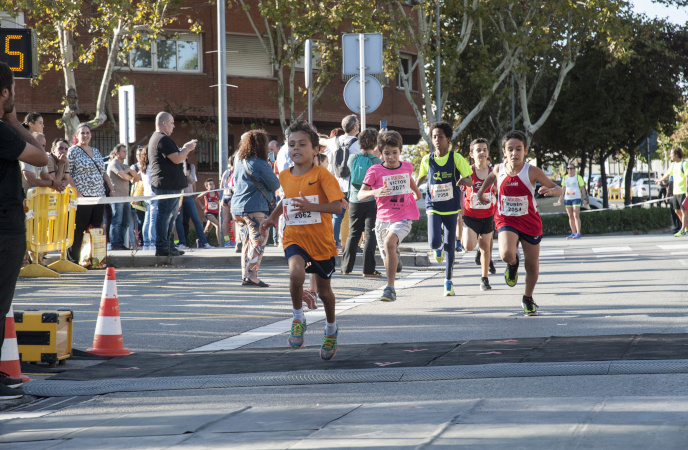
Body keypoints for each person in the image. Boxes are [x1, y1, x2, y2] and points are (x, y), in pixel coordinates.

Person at [260, 121, 345, 360]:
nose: (296, 148)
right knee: (296, 274)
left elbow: (338, 207)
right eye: (291, 145)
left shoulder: (322, 175)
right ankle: (298, 318)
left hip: (321, 242)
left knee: (325, 293)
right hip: (294, 237)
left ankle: (331, 329)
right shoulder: (285, 175)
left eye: (302, 144)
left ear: (316, 150)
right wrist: (270, 219)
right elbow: (285, 200)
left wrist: (312, 206)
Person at [0, 62, 49, 400]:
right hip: (4, 228)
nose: (15, 97)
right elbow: (42, 157)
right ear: (4, 93)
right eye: (14, 91)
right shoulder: (2, 131)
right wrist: (15, 121)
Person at [477, 130, 562, 316]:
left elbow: (557, 187)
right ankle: (513, 263)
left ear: (526, 151)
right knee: (507, 254)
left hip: (530, 222)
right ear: (503, 151)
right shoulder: (499, 169)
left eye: (518, 149)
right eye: (510, 149)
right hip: (506, 219)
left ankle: (527, 298)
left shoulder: (531, 171)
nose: (514, 153)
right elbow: (491, 176)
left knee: (532, 266)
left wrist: (553, 191)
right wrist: (480, 192)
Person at [359, 130, 422, 302]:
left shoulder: (407, 167)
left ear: (400, 152)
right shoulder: (375, 170)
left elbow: (417, 193)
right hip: (382, 219)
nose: (391, 157)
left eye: (395, 153)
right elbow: (360, 195)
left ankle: (390, 288)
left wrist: (411, 201)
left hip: (402, 218)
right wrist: (376, 191)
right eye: (387, 153)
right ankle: (395, 259)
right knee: (387, 257)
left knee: (389, 243)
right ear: (381, 153)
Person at [415, 121, 472, 296]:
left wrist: (465, 181)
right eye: (434, 137)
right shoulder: (427, 159)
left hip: (451, 207)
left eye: (440, 136)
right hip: (433, 205)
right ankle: (436, 248)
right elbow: (420, 178)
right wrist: (413, 192)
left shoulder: (456, 158)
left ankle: (448, 281)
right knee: (434, 242)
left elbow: (470, 180)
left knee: (450, 247)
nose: (437, 140)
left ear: (448, 138)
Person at [232, 130, 280, 287]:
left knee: (246, 242)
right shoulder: (260, 163)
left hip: (237, 208)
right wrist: (270, 166)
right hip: (255, 208)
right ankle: (252, 274)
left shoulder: (239, 161)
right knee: (259, 241)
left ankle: (245, 274)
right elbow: (275, 184)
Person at [147, 112, 197, 257]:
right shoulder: (162, 139)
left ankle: (168, 245)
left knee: (170, 216)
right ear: (163, 123)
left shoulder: (160, 139)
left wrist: (184, 150)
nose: (173, 126)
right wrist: (187, 148)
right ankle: (163, 246)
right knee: (165, 216)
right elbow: (177, 159)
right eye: (171, 123)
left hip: (171, 185)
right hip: (166, 186)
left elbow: (174, 157)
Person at [68, 123, 115, 262]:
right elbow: (68, 173)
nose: (85, 135)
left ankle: (93, 260)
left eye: (87, 133)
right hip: (83, 196)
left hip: (98, 195)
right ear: (77, 135)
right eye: (82, 133)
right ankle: (73, 260)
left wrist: (111, 189)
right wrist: (76, 192)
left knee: (95, 229)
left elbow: (103, 172)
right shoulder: (73, 151)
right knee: (79, 228)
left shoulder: (96, 151)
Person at [341, 128, 382, 277]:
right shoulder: (377, 162)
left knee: (353, 233)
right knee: (370, 234)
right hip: (371, 199)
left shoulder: (352, 158)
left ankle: (346, 268)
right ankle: (368, 269)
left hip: (354, 199)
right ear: (375, 143)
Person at [461, 138, 497, 291]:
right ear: (471, 154)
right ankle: (474, 247)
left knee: (485, 247)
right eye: (478, 150)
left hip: (488, 215)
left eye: (484, 149)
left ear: (488, 153)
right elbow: (461, 191)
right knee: (469, 245)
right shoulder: (468, 171)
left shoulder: (494, 172)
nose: (481, 152)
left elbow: (500, 190)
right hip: (471, 215)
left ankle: (484, 278)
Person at [325, 115, 360, 250]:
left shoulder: (335, 141)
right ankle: (352, 244)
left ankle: (333, 243)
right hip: (352, 185)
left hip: (337, 184)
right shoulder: (358, 143)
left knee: (337, 217)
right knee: (353, 216)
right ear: (354, 128)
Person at [107, 143, 140, 250]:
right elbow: (126, 177)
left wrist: (129, 170)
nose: (126, 153)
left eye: (126, 151)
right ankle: (115, 243)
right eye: (123, 151)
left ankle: (120, 243)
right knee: (117, 220)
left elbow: (137, 176)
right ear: (117, 153)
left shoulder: (124, 165)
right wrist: (129, 172)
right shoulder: (114, 164)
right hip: (117, 197)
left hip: (126, 197)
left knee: (125, 221)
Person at [656, 147, 688, 236]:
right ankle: (686, 228)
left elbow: (687, 177)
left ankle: (682, 229)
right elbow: (667, 174)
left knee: (684, 211)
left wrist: (687, 189)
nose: (670, 155)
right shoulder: (673, 165)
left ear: (676, 155)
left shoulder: (684, 164)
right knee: (677, 211)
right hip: (675, 191)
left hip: (682, 191)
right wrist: (659, 180)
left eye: (671, 154)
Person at [554, 164, 589, 239]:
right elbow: (562, 189)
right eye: (568, 168)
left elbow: (582, 188)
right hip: (567, 198)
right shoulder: (565, 178)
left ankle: (578, 232)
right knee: (570, 216)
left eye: (571, 168)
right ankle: (573, 232)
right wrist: (560, 198)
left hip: (576, 197)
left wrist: (584, 198)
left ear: (574, 169)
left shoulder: (578, 177)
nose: (569, 170)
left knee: (576, 214)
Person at [138, 147, 157, 251]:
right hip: (154, 194)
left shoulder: (143, 167)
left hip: (146, 195)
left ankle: (146, 243)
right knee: (153, 219)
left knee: (147, 219)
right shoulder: (152, 167)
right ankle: (152, 242)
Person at [195, 178, 221, 248]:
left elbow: (221, 201)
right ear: (207, 187)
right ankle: (219, 244)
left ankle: (200, 240)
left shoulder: (217, 192)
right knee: (218, 225)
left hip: (215, 212)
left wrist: (218, 202)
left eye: (213, 184)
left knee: (207, 230)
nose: (212, 186)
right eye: (210, 184)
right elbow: (197, 198)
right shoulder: (206, 193)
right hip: (208, 212)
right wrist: (202, 206)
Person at [220, 157, 236, 248]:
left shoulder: (226, 172)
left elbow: (221, 186)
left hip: (224, 197)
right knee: (234, 220)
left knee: (225, 221)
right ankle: (235, 240)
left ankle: (227, 241)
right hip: (232, 196)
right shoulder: (235, 172)